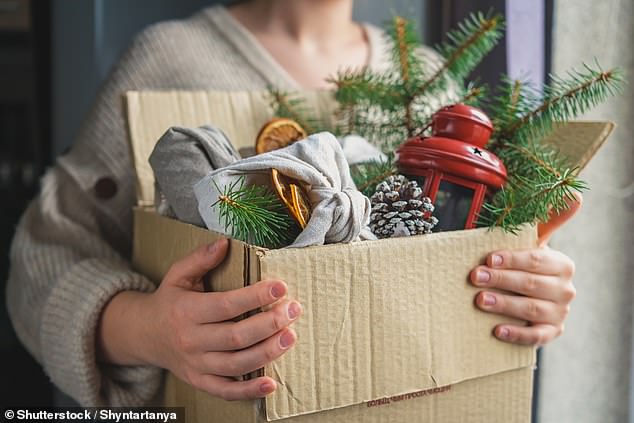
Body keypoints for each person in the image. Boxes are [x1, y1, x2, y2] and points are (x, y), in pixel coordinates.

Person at [6, 0, 577, 407]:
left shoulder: (425, 81)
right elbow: (41, 260)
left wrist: (527, 291)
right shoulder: (169, 61)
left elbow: (476, 251)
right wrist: (148, 330)